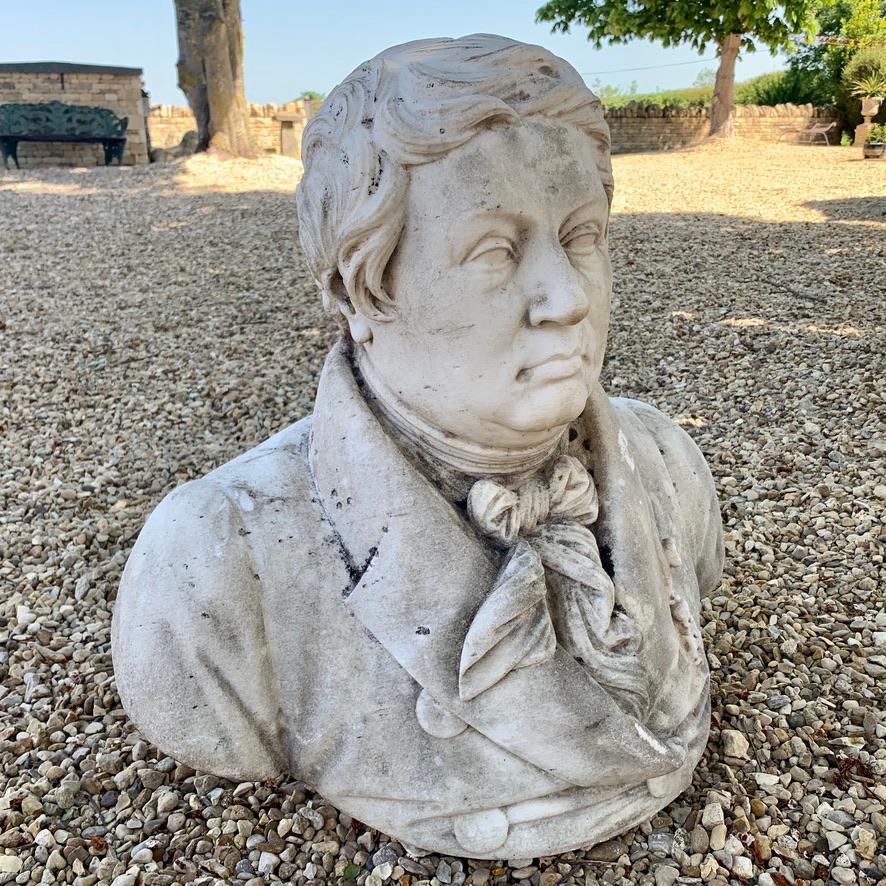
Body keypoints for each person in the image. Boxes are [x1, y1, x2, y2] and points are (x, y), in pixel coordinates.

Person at [112, 34, 724, 858]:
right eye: (495, 250)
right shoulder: (216, 574)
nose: (568, 298)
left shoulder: (669, 467)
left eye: (582, 236)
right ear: (358, 291)